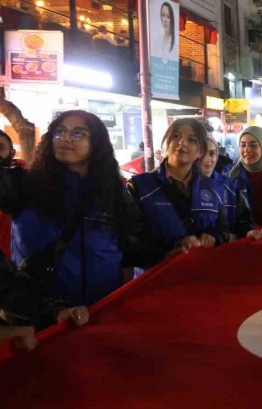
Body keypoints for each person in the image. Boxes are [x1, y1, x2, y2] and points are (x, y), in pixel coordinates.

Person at [0, 110, 156, 320]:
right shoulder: (23, 185)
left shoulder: (113, 193)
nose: (65, 138)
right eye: (60, 132)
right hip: (40, 320)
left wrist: (176, 251)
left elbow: (133, 248)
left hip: (100, 316)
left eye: (77, 134)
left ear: (97, 144)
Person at [128, 119, 231, 259]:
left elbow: (223, 228)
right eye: (176, 136)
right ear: (166, 143)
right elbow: (131, 238)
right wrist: (174, 244)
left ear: (200, 151)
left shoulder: (215, 189)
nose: (182, 142)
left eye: (192, 140)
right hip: (158, 275)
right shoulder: (139, 186)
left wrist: (213, 235)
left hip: (203, 273)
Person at [200, 138, 256, 241]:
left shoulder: (232, 187)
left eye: (212, 154)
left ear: (217, 157)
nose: (207, 159)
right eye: (202, 154)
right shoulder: (184, 187)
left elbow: (245, 221)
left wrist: (249, 232)